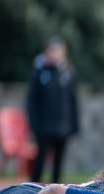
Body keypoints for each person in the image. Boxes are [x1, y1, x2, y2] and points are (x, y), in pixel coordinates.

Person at [26, 37, 79, 183]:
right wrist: (34, 125)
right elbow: (31, 102)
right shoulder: (39, 74)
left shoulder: (68, 74)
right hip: (43, 128)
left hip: (62, 127)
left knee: (59, 163)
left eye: (58, 51)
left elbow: (73, 102)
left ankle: (55, 191)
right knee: (40, 161)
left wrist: (74, 126)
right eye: (51, 51)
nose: (54, 54)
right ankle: (33, 187)